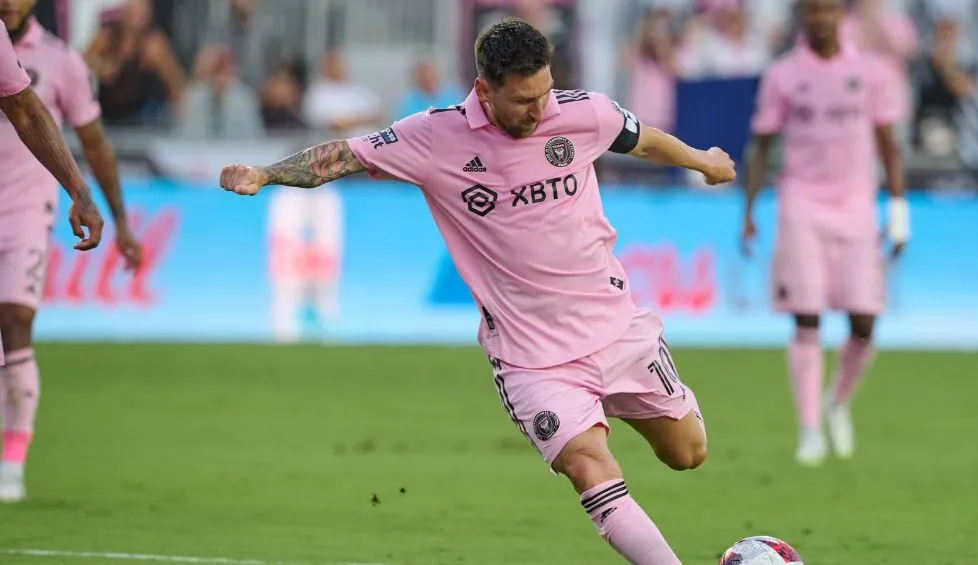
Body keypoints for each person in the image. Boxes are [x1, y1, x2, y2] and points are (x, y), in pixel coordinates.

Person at [221, 18, 735, 565]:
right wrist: (265, 173)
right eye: (522, 102)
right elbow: (343, 155)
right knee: (588, 463)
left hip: (616, 328)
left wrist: (701, 159)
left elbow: (642, 140)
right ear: (484, 90)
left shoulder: (582, 112)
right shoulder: (434, 136)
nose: (539, 112)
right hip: (532, 357)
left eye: (543, 93)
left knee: (688, 452)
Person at [743, 0, 908, 467]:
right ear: (802, 17)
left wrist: (898, 210)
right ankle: (810, 428)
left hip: (857, 206)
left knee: (864, 321)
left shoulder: (873, 71)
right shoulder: (783, 74)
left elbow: (889, 145)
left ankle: (838, 401)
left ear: (842, 15)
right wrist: (750, 208)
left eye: (828, 10)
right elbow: (763, 145)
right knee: (807, 316)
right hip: (801, 204)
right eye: (812, 11)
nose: (820, 18)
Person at [0, 0, 139, 503]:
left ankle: (12, 461)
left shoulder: (63, 62)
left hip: (24, 214)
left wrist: (113, 213)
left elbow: (94, 143)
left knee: (15, 322)